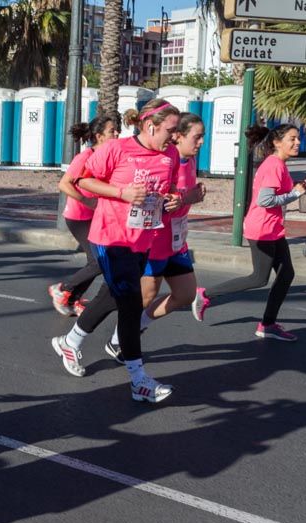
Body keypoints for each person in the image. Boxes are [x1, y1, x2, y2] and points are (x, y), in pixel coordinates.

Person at [52, 98, 180, 402]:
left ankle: (70, 341)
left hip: (143, 238)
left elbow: (167, 189)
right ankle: (139, 380)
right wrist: (120, 193)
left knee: (111, 296)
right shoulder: (116, 149)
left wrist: (173, 199)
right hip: (111, 238)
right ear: (151, 126)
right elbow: (80, 179)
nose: (174, 137)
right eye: (171, 130)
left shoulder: (170, 155)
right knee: (131, 305)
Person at [105, 113, 207, 360]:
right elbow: (151, 199)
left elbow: (182, 195)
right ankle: (118, 339)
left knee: (185, 294)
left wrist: (193, 194)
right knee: (146, 295)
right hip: (156, 238)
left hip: (176, 238)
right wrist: (184, 198)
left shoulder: (190, 160)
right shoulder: (165, 159)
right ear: (178, 137)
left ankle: (137, 326)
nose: (201, 142)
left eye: (203, 137)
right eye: (197, 137)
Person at [192, 124, 305, 341]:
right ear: (277, 142)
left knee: (286, 274)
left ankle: (268, 324)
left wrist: (294, 190)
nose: (297, 142)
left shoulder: (279, 164)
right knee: (258, 278)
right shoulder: (274, 165)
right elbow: (265, 200)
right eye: (292, 138)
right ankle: (204, 295)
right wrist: (294, 195)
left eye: (297, 138)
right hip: (262, 229)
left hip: (273, 229)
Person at [48, 111, 120, 317]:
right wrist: (87, 200)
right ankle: (63, 290)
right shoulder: (85, 156)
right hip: (78, 216)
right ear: (99, 137)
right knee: (98, 262)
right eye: (112, 131)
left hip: (96, 216)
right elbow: (64, 184)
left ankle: (71, 297)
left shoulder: (108, 157)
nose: (116, 133)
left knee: (96, 261)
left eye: (117, 130)